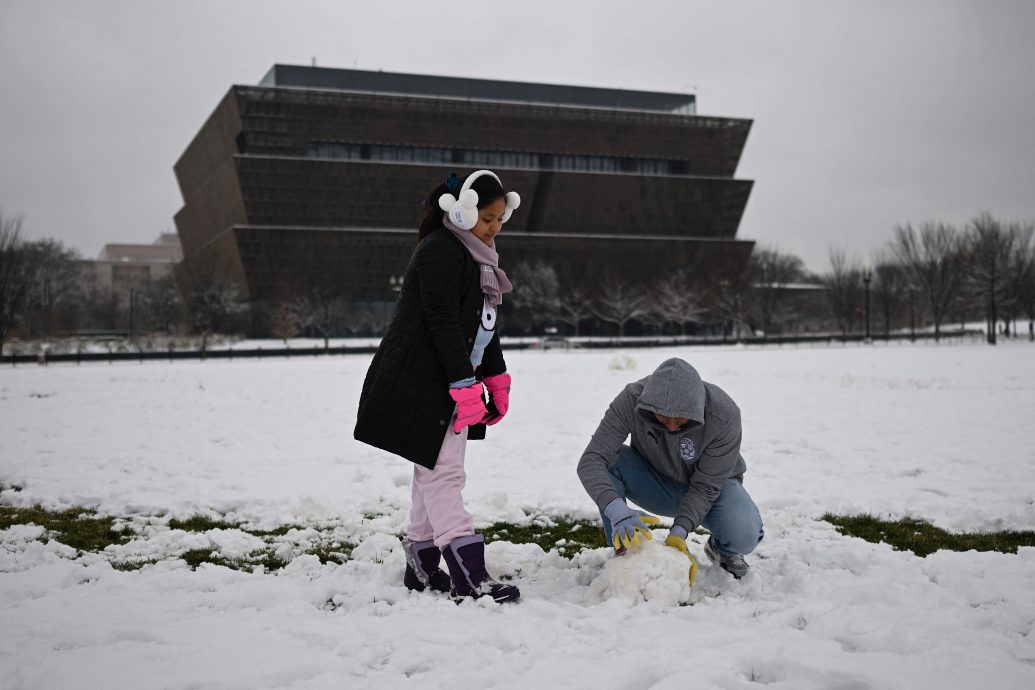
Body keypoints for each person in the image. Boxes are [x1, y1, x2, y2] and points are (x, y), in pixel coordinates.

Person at [354, 170, 521, 603]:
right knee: (445, 472)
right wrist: (464, 384)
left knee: (431, 466)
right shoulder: (441, 252)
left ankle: (422, 564)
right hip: (423, 383)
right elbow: (442, 322)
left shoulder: (478, 257)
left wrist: (495, 379)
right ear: (462, 212)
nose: (495, 227)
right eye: (487, 218)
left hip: (448, 379)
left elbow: (482, 326)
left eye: (500, 219)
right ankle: (469, 576)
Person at [577, 357, 764, 582]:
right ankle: (626, 547)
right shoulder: (632, 399)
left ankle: (722, 549)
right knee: (607, 460)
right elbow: (591, 459)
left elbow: (706, 487)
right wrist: (616, 509)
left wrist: (679, 533)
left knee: (744, 536)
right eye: (663, 418)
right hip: (655, 483)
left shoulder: (724, 415)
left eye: (681, 421)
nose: (672, 427)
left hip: (711, 491)